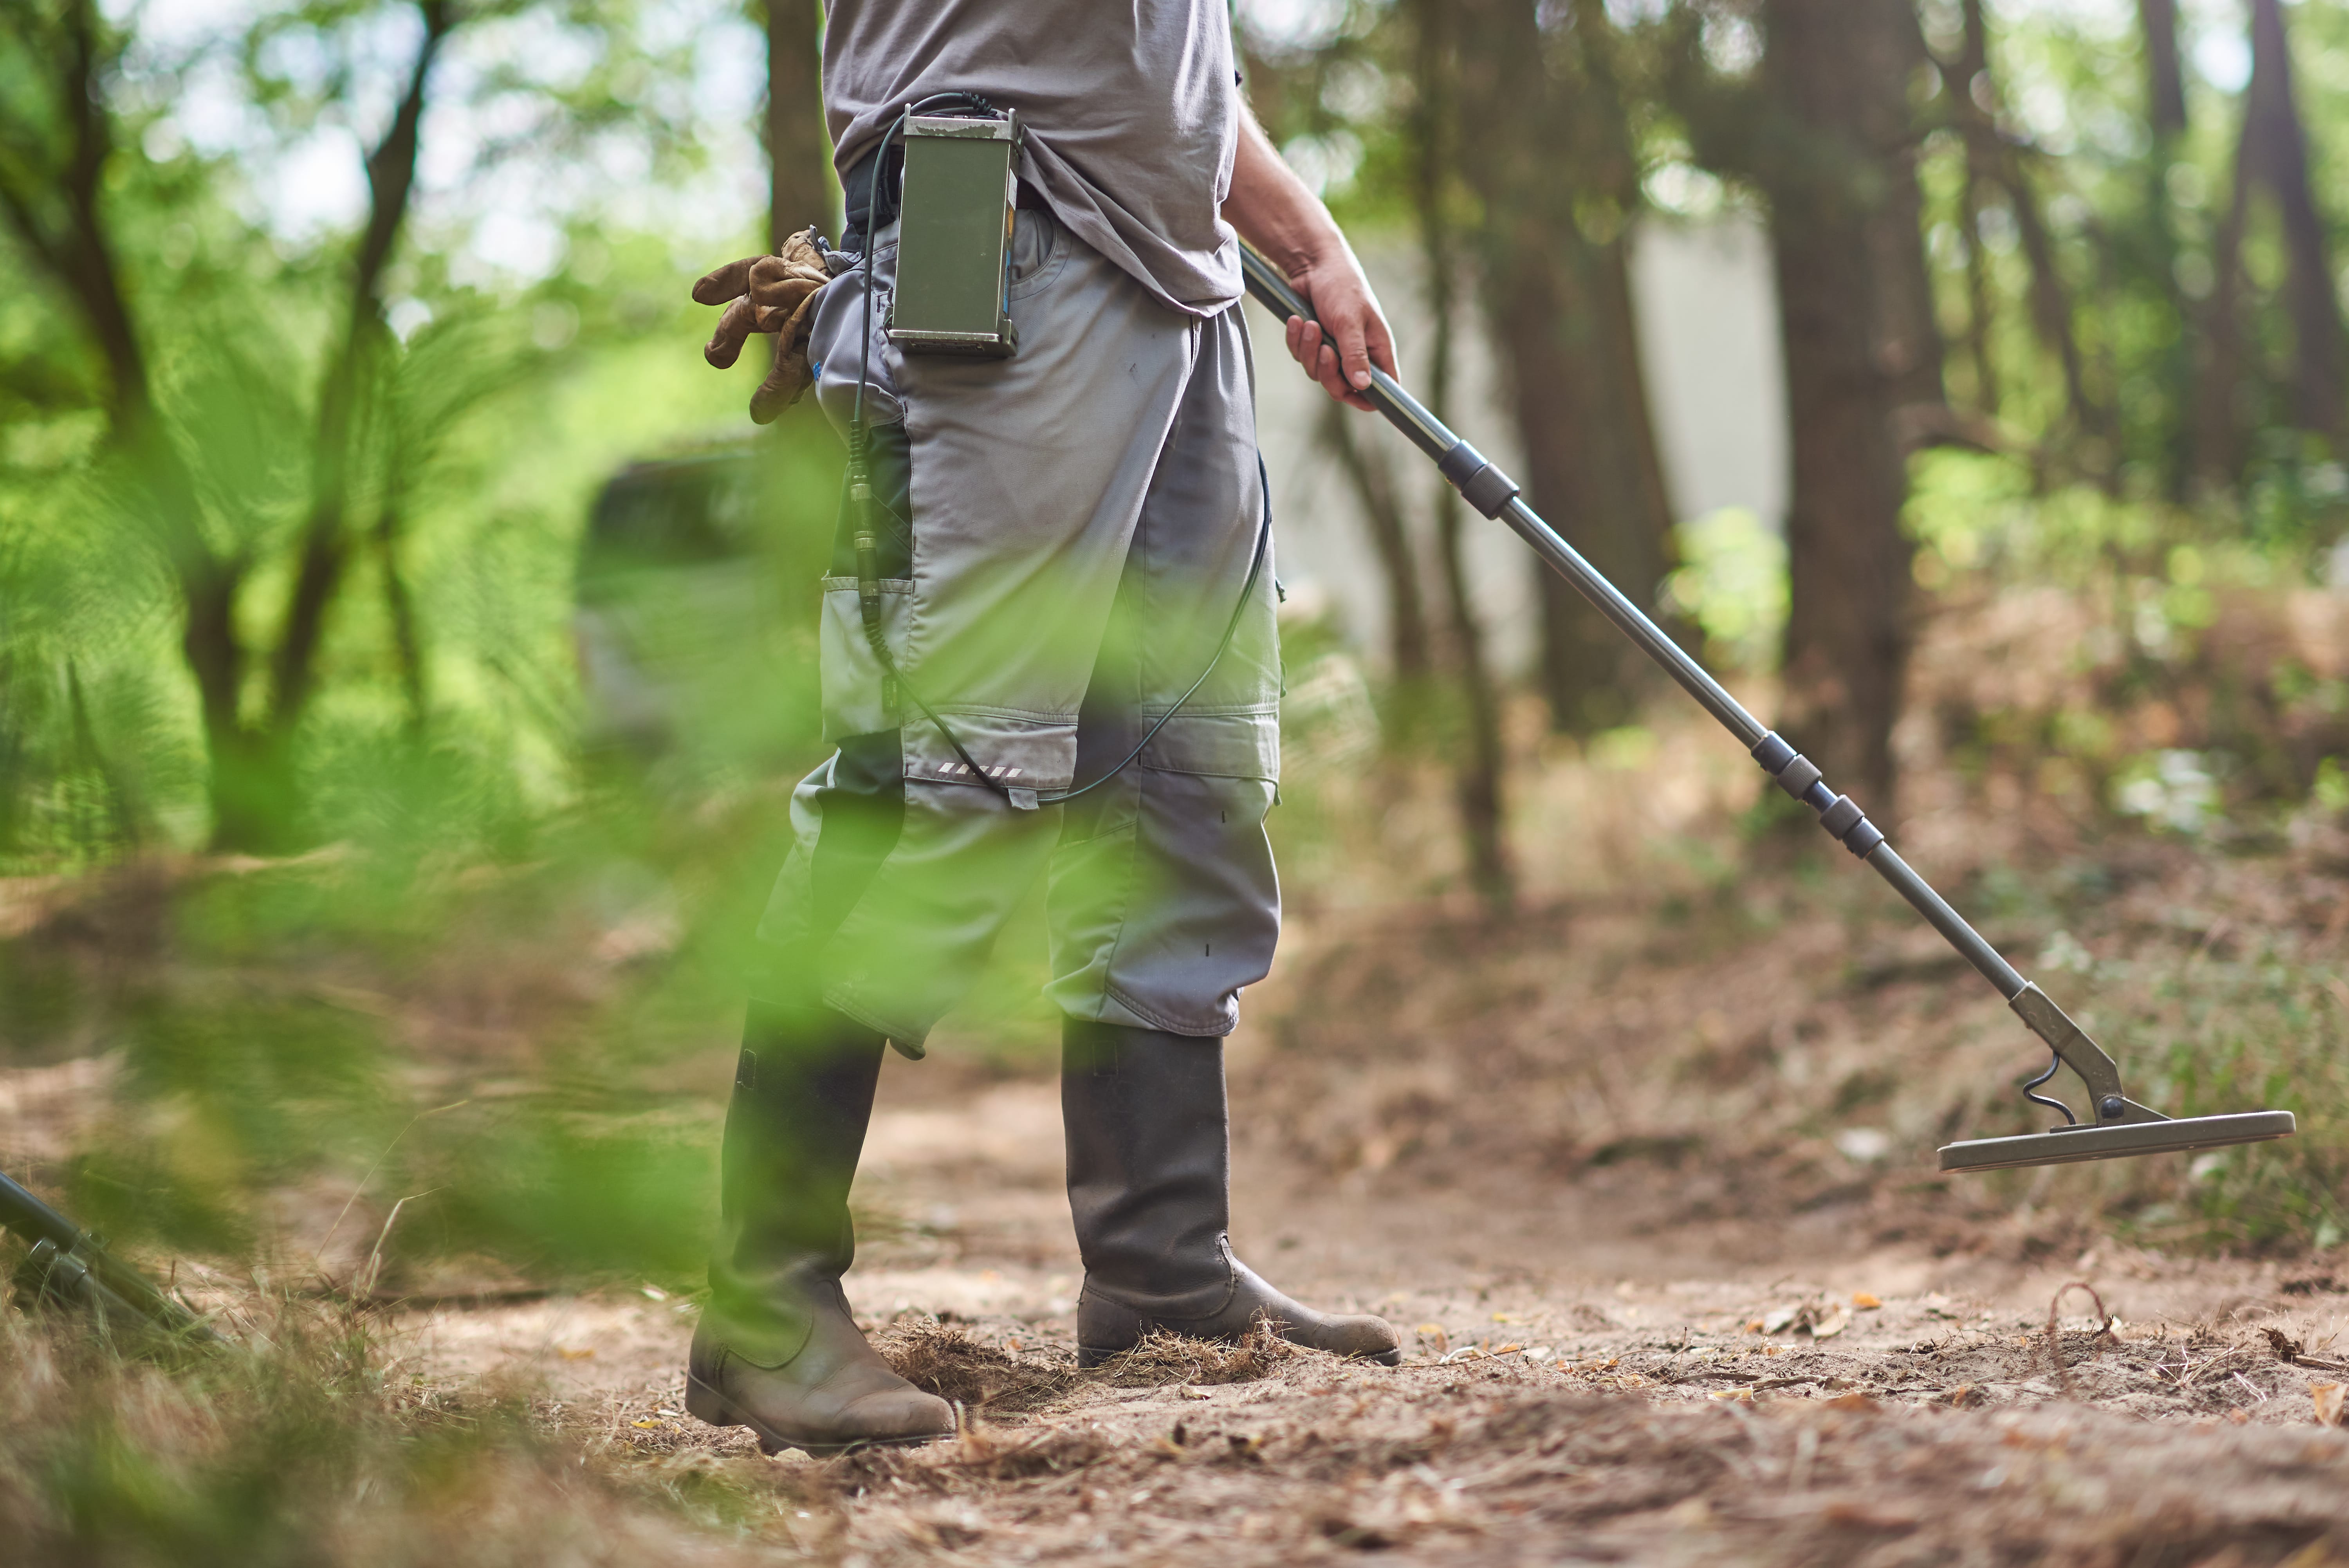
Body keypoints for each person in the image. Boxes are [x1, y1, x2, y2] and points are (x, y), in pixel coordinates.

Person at [685, 0, 1403, 1456]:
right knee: (936, 772)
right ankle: (765, 1304)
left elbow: (1165, 61)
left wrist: (1305, 235)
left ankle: (1160, 1270)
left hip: (1184, 281)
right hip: (996, 238)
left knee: (1188, 776)